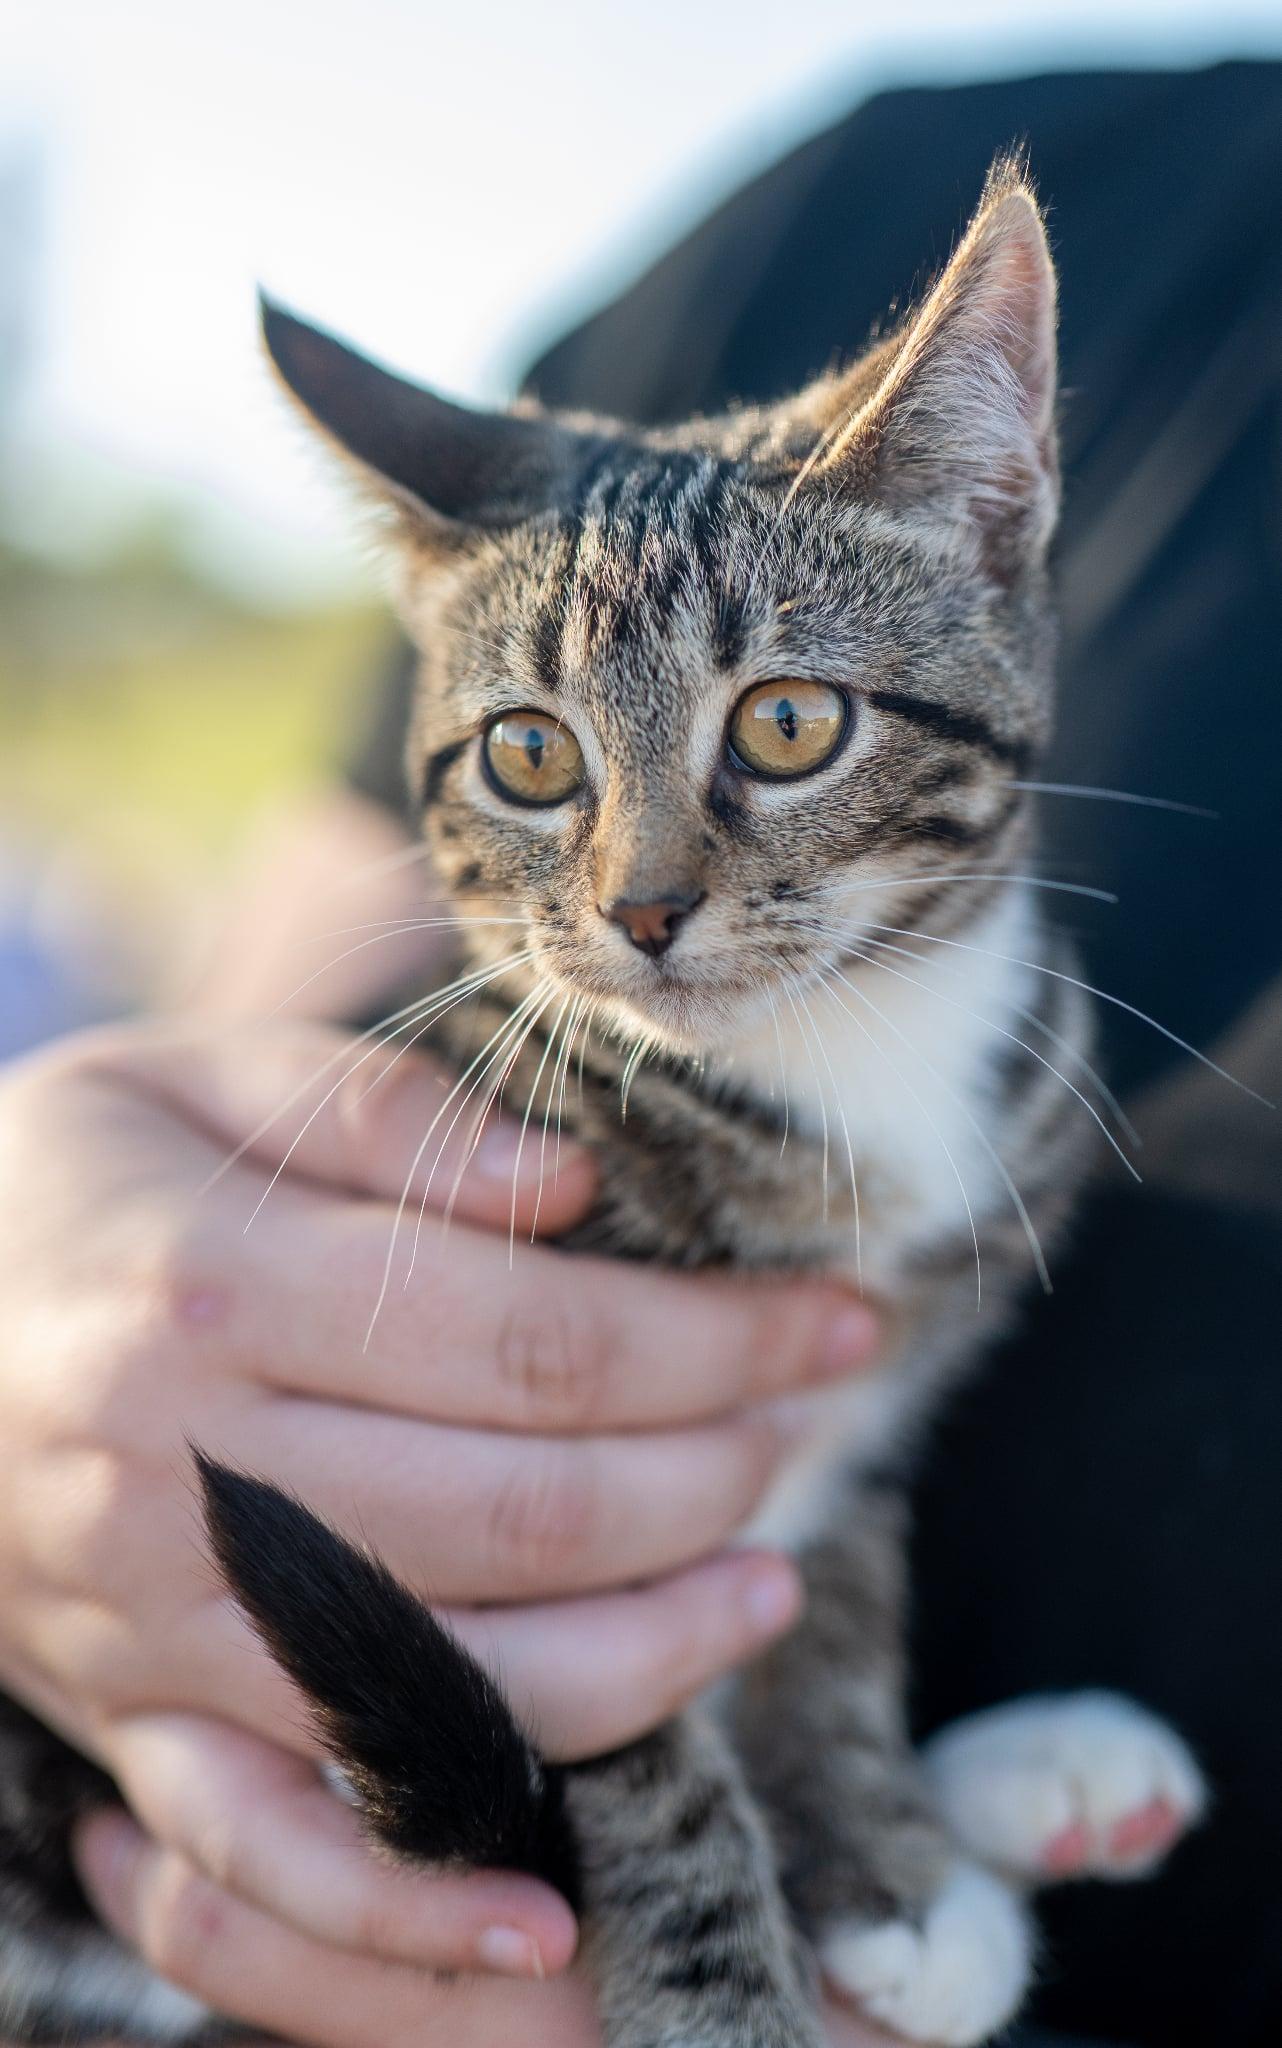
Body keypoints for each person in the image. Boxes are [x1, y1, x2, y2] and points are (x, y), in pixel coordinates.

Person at [3, 54, 1280, 2048]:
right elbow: (461, 1526)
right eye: (536, 766)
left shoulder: (1015, 1074)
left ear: (987, 512)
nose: (638, 891)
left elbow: (800, 1494)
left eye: (777, 734)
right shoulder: (510, 1108)